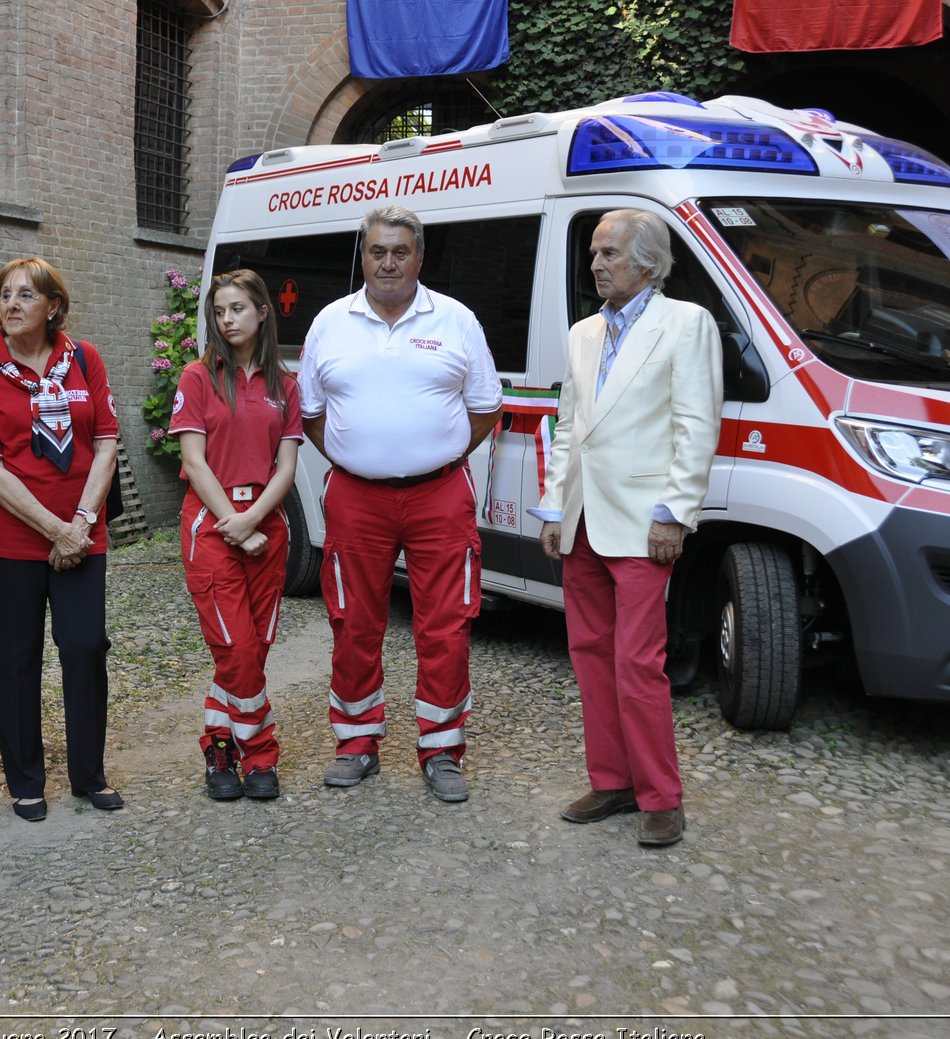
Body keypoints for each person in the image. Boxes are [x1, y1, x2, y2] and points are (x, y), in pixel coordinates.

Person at [298, 204, 503, 802]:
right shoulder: (330, 322)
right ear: (363, 256)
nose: (388, 262)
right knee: (352, 621)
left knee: (446, 625)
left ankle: (441, 750)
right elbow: (311, 415)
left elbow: (486, 406)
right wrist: (359, 455)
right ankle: (356, 742)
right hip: (356, 497)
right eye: (377, 251)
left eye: (400, 251)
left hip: (439, 494)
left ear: (420, 257)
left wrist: (433, 455)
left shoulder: (456, 319)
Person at [533, 208, 723, 847]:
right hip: (584, 519)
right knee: (589, 658)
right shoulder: (584, 332)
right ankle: (611, 781)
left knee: (639, 662)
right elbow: (569, 428)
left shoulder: (686, 324)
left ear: (648, 261)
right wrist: (555, 508)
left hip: (645, 525)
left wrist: (674, 514)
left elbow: (697, 428)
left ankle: (661, 797)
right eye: (594, 252)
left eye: (609, 252)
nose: (596, 263)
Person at [0, 257, 122, 821]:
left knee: (83, 649)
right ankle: (26, 782)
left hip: (82, 531)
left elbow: (105, 443)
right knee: (16, 659)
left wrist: (79, 523)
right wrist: (57, 531)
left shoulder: (85, 359)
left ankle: (88, 775)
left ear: (53, 306)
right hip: (7, 543)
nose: (12, 304)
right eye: (5, 294)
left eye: (26, 295)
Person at [168, 269, 301, 801]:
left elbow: (286, 468)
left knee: (252, 649)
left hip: (267, 526)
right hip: (212, 525)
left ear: (262, 312)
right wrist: (235, 525)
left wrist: (254, 521)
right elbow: (195, 463)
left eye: (238, 309)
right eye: (219, 311)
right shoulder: (198, 378)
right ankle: (261, 751)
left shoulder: (284, 385)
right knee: (237, 646)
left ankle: (219, 745)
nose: (227, 320)